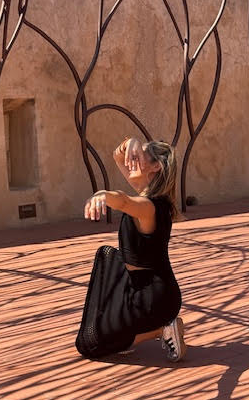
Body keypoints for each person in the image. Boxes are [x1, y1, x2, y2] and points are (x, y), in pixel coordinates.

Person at [75, 137, 186, 362]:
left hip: (152, 297)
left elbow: (124, 201)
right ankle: (135, 329)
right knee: (107, 254)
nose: (129, 163)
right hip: (145, 288)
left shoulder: (148, 206)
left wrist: (102, 195)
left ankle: (162, 329)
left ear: (155, 166)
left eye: (137, 158)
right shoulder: (152, 199)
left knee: (90, 343)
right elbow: (118, 156)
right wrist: (132, 142)